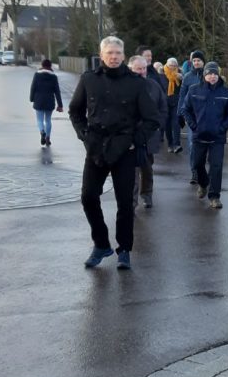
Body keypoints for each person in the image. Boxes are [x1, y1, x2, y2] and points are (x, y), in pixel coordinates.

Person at [68, 36, 160, 271]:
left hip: (124, 149)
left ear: (123, 55)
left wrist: (135, 142)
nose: (114, 57)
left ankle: (125, 249)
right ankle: (101, 244)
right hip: (96, 147)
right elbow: (75, 111)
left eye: (118, 53)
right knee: (88, 197)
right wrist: (84, 136)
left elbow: (152, 119)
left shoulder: (136, 83)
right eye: (109, 52)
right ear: (102, 55)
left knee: (125, 203)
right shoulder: (89, 79)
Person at [182, 61, 228, 209]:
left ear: (218, 75)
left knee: (216, 167)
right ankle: (203, 183)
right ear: (204, 75)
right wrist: (193, 126)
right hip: (199, 136)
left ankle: (214, 196)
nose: (212, 76)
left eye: (215, 74)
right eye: (209, 73)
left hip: (217, 137)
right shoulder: (194, 90)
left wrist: (223, 128)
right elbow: (185, 109)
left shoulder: (227, 92)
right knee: (197, 164)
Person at [127, 54, 169, 208]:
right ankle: (131, 202)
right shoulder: (124, 86)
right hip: (130, 135)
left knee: (147, 168)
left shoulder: (153, 86)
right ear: (130, 69)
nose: (142, 71)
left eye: (144, 68)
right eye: (139, 68)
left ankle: (147, 194)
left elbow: (163, 108)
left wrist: (158, 125)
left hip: (149, 135)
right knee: (132, 171)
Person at [178, 49, 206, 182]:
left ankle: (204, 170)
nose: (196, 62)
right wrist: (180, 114)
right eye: (194, 60)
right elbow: (182, 96)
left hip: (207, 115)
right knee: (192, 144)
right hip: (192, 116)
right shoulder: (188, 77)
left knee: (206, 144)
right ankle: (194, 172)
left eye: (198, 60)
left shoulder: (209, 75)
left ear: (203, 62)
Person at [29, 59, 63, 147]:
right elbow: (57, 92)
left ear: (42, 65)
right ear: (50, 66)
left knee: (39, 119)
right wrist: (60, 105)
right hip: (49, 101)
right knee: (48, 120)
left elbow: (33, 87)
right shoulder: (54, 77)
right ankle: (47, 138)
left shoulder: (37, 75)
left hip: (39, 101)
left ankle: (42, 132)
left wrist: (32, 98)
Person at [163, 57, 183, 152]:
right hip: (165, 103)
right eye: (171, 65)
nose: (172, 67)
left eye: (174, 65)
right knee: (167, 124)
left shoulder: (180, 75)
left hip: (176, 102)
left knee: (176, 123)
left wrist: (181, 78)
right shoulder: (162, 75)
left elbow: (183, 89)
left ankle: (177, 144)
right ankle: (170, 144)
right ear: (167, 65)